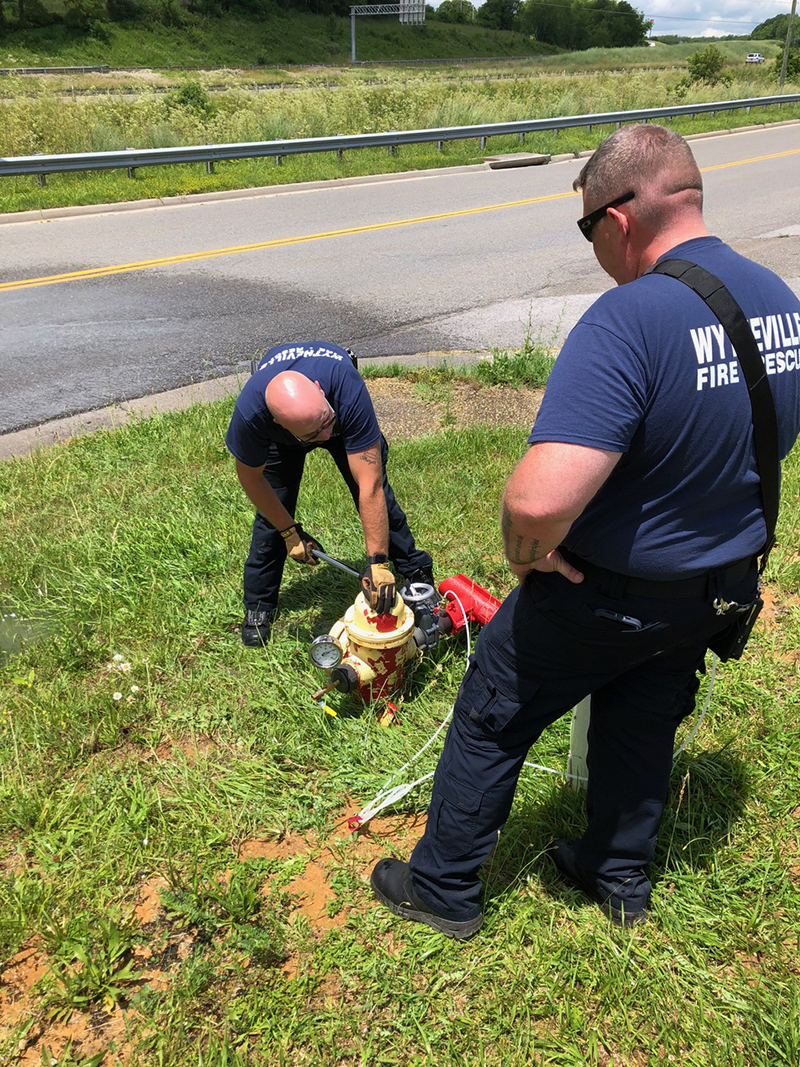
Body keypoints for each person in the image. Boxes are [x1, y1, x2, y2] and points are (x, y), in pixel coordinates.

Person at [370, 124, 800, 937]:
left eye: (585, 227)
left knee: (494, 708)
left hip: (607, 592)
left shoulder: (629, 318)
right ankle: (618, 874)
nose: (593, 245)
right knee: (642, 713)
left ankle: (444, 889)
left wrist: (526, 555)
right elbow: (768, 439)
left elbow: (538, 503)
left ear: (619, 218)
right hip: (718, 586)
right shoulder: (781, 300)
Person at [225, 342, 433, 645]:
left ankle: (415, 573)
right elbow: (253, 480)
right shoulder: (251, 414)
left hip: (336, 410)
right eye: (314, 436)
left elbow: (370, 487)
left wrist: (378, 563)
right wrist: (288, 532)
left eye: (325, 428)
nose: (324, 439)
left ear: (319, 389)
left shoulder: (345, 388)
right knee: (272, 514)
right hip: (297, 428)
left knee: (380, 500)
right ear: (276, 422)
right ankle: (258, 607)